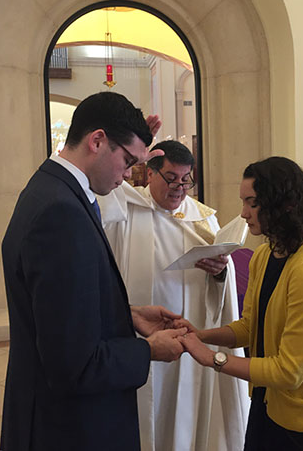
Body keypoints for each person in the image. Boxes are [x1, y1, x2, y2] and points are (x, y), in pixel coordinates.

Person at [0, 92, 188, 451]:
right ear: (97, 140)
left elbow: (56, 311)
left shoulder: (51, 188)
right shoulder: (61, 214)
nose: (131, 174)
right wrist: (148, 350)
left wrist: (126, 314)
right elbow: (74, 366)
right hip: (69, 427)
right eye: (129, 160)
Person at [175, 156, 303, 450]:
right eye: (243, 202)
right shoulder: (265, 255)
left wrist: (213, 359)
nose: (243, 213)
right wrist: (199, 335)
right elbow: (248, 327)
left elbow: (289, 372)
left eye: (252, 203)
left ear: (285, 204)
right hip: (265, 403)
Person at [98, 140, 249, 451]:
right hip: (139, 337)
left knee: (184, 408)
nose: (180, 188)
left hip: (189, 338)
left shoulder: (204, 218)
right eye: (171, 178)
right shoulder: (124, 211)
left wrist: (220, 271)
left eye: (186, 179)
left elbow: (225, 279)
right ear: (150, 173)